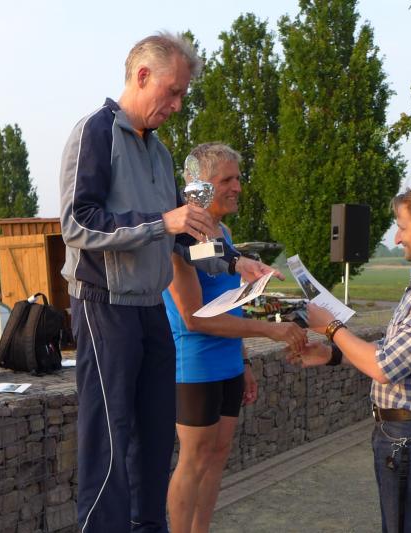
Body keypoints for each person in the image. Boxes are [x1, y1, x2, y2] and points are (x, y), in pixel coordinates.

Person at [59, 33, 278, 532]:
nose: (178, 105)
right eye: (173, 91)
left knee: (155, 443)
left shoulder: (159, 152)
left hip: (149, 310)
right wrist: (162, 222)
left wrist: (236, 262)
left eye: (182, 95)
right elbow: (77, 224)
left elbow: (184, 238)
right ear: (142, 76)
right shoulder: (95, 132)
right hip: (104, 304)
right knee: (109, 443)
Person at [288, 181, 411, 533]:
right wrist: (332, 355)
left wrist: (330, 327)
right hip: (405, 434)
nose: (397, 237)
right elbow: (395, 353)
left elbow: (383, 366)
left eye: (403, 227)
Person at [162, 143, 308, 533]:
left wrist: (243, 361)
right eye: (227, 179)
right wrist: (270, 329)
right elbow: (194, 318)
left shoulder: (223, 233)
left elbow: (232, 304)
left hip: (228, 362)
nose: (238, 187)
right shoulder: (178, 240)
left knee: (218, 456)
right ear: (199, 186)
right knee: (193, 461)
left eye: (238, 178)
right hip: (194, 365)